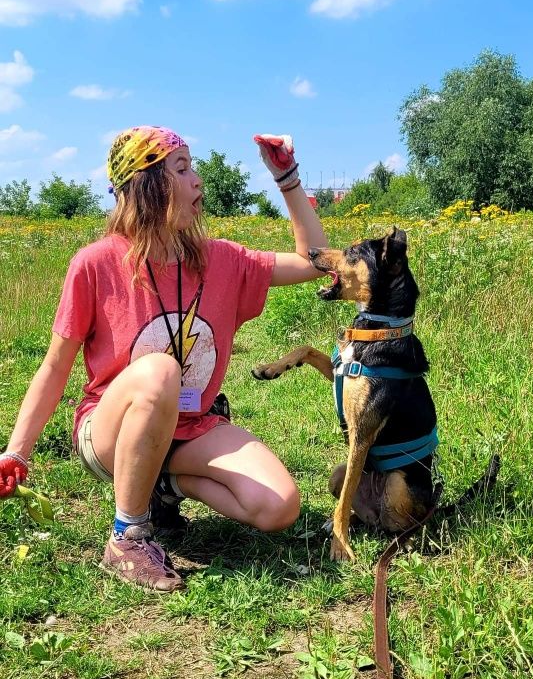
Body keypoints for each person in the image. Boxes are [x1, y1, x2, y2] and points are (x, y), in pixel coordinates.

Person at [0, 127, 327, 592]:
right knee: (160, 371)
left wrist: (287, 178)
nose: (198, 180)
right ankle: (128, 536)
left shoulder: (221, 260)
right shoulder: (94, 263)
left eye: (192, 167)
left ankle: (163, 487)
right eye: (182, 168)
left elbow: (315, 262)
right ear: (147, 185)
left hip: (190, 426)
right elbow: (55, 367)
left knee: (279, 506)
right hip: (110, 432)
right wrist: (16, 452)